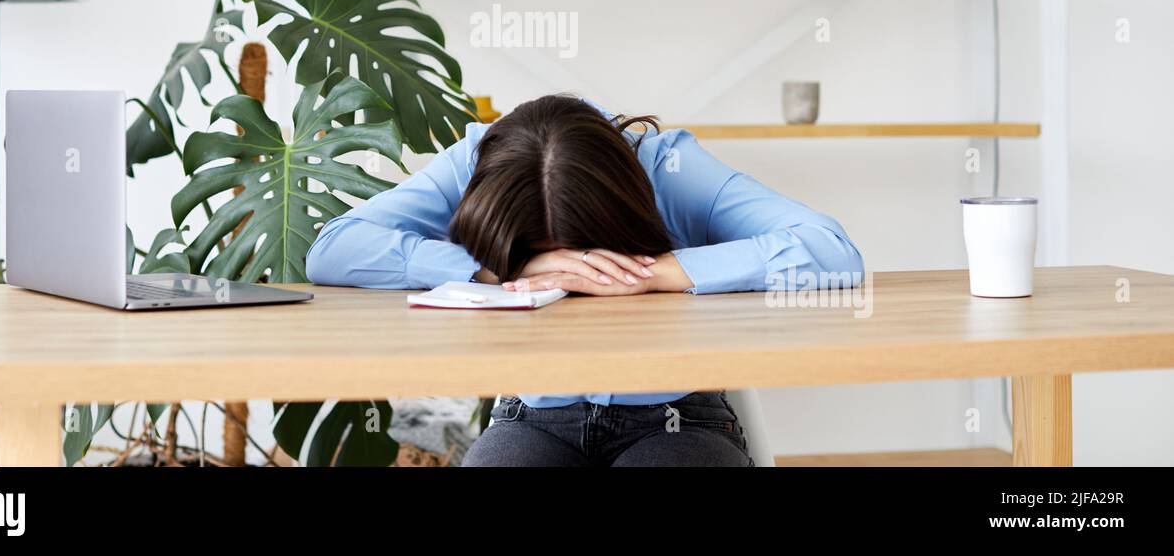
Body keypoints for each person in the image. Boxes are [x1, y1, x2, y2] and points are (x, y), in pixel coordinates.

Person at [305, 94, 863, 467]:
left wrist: (659, 272)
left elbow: (830, 250)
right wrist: (496, 268)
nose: (572, 275)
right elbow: (332, 249)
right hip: (533, 416)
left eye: (589, 255)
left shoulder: (665, 167)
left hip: (674, 420)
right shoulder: (477, 165)